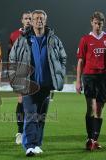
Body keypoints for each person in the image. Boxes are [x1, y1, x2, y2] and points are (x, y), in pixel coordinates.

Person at [9, 10, 66, 156]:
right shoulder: (23, 39)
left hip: (46, 85)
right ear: (32, 22)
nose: (39, 21)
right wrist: (16, 79)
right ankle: (28, 145)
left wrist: (59, 74)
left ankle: (37, 144)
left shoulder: (54, 40)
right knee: (31, 115)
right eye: (36, 19)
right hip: (28, 85)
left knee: (41, 117)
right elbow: (12, 59)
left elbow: (62, 58)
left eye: (41, 18)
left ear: (45, 21)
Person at [76, 11, 106, 151]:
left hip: (103, 78)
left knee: (99, 110)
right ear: (91, 23)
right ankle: (89, 138)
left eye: (100, 23)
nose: (97, 26)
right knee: (91, 108)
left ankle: (95, 139)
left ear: (103, 23)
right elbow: (80, 61)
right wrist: (78, 81)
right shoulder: (85, 39)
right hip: (89, 76)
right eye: (95, 23)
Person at [8, 11, 32, 145]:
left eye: (30, 18)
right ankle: (19, 131)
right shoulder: (14, 35)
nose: (28, 20)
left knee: (33, 103)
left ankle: (30, 131)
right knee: (21, 100)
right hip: (21, 72)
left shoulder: (37, 33)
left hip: (34, 74)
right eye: (26, 18)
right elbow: (10, 55)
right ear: (21, 20)